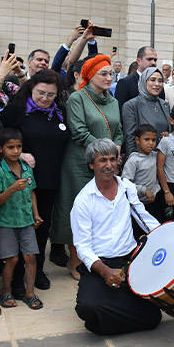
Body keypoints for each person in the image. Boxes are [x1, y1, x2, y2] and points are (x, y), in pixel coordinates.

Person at [71, 139, 162, 335]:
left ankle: (108, 320)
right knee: (87, 307)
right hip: (98, 264)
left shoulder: (127, 188)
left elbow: (144, 219)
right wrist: (104, 272)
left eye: (113, 159)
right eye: (102, 160)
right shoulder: (83, 200)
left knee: (154, 316)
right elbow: (83, 247)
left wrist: (167, 236)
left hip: (129, 261)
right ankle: (118, 308)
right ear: (91, 165)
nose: (109, 165)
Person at [53, 54, 123, 280]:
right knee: (79, 212)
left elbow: (119, 131)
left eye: (110, 73)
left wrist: (116, 149)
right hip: (80, 162)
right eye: (103, 73)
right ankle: (74, 261)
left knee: (101, 212)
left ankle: (97, 259)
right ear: (89, 76)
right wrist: (107, 153)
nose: (108, 77)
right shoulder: (77, 98)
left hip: (106, 163)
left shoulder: (113, 101)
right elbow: (79, 132)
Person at [0, 69, 69, 291]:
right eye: (41, 93)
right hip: (21, 183)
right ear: (31, 89)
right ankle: (18, 276)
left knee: (41, 228)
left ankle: (37, 271)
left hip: (50, 180)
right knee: (21, 228)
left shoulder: (59, 112)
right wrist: (18, 154)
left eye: (51, 94)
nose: (45, 98)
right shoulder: (17, 111)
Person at [0, 128, 43, 311]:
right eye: (10, 147)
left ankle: (30, 292)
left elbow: (32, 194)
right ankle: (6, 291)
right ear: (0, 148)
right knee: (11, 259)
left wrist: (35, 214)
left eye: (18, 147)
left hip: (27, 220)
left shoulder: (27, 168)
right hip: (6, 222)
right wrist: (12, 188)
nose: (15, 151)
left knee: (30, 257)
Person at [122, 67, 171, 154]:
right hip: (142, 159)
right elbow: (130, 138)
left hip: (163, 158)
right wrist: (134, 161)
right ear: (144, 82)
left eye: (160, 81)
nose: (157, 84)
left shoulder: (165, 105)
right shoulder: (132, 105)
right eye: (152, 80)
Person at [122, 124, 161, 217]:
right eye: (146, 139)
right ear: (137, 140)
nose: (151, 143)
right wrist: (144, 190)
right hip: (137, 205)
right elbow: (125, 183)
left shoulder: (155, 156)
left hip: (153, 202)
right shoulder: (133, 160)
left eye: (153, 140)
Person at [114, 46, 159, 111]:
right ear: (139, 61)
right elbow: (120, 110)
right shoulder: (125, 83)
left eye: (155, 60)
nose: (153, 63)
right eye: (149, 59)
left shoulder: (159, 85)